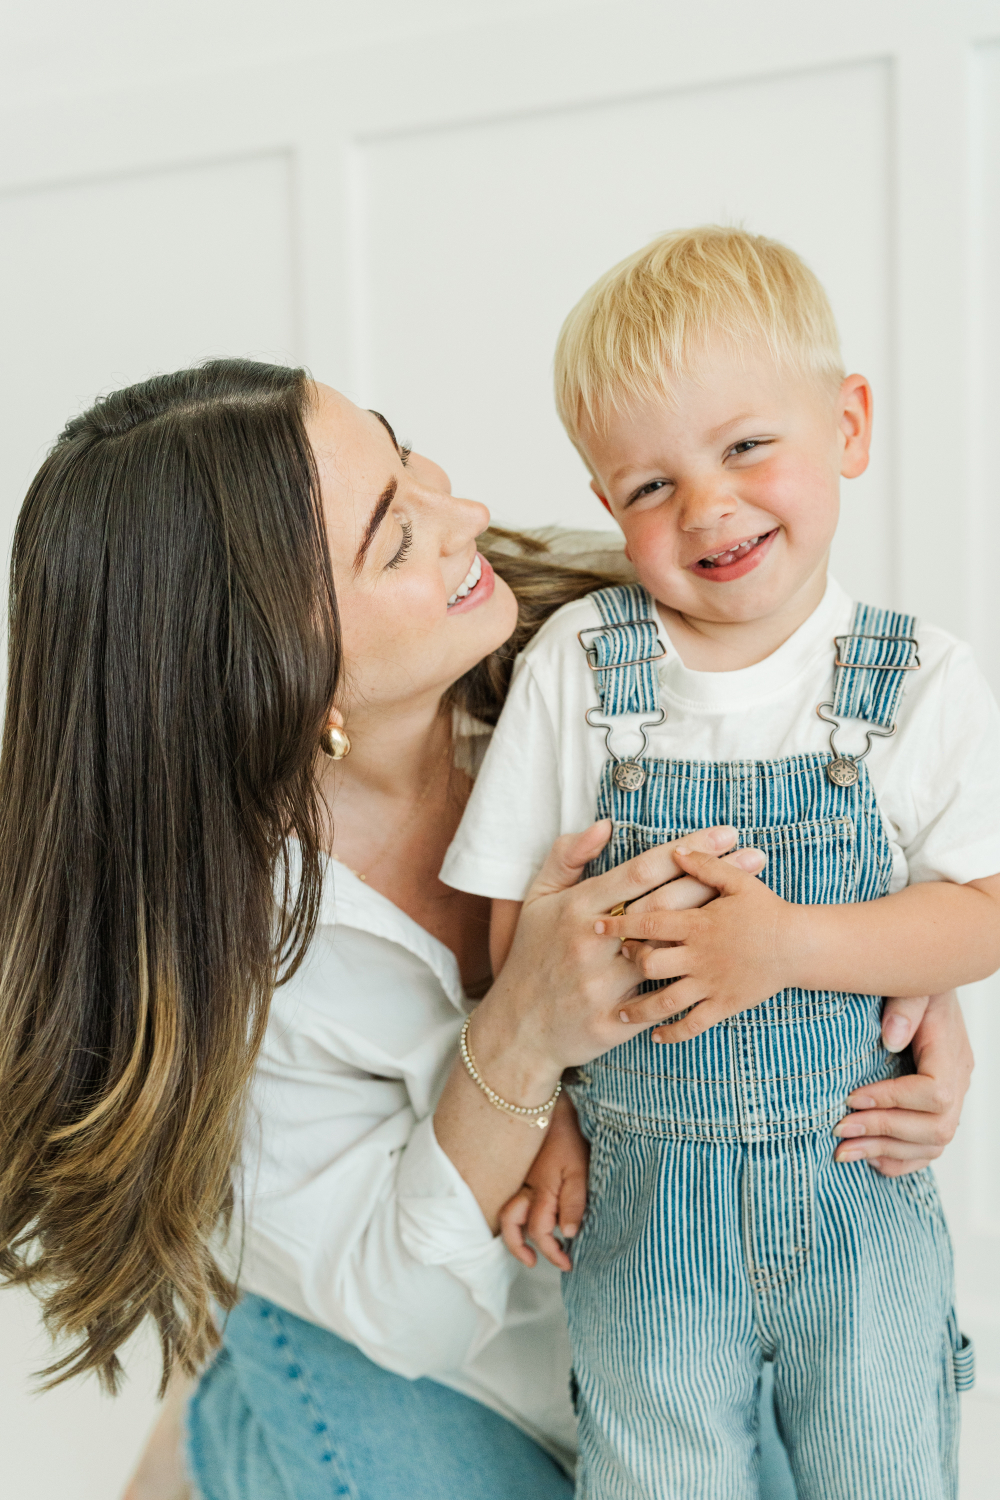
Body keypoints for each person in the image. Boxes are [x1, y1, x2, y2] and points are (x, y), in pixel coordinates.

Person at [0, 361, 971, 1500]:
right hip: (396, 1354)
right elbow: (404, 1316)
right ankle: (224, 1434)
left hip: (668, 1290)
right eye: (395, 538)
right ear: (276, 670)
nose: (467, 517)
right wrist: (522, 1032)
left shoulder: (612, 653)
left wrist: (901, 976)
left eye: (406, 456)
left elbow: (885, 804)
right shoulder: (195, 966)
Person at [442, 228, 999, 1500]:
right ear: (606, 508)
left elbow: (983, 911)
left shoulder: (915, 680)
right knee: (655, 1469)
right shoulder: (580, 668)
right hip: (644, 1212)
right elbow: (509, 923)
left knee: (883, 1466)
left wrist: (795, 944)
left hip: (855, 1185)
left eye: (747, 446)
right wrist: (555, 1117)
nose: (705, 507)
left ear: (848, 425)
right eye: (646, 487)